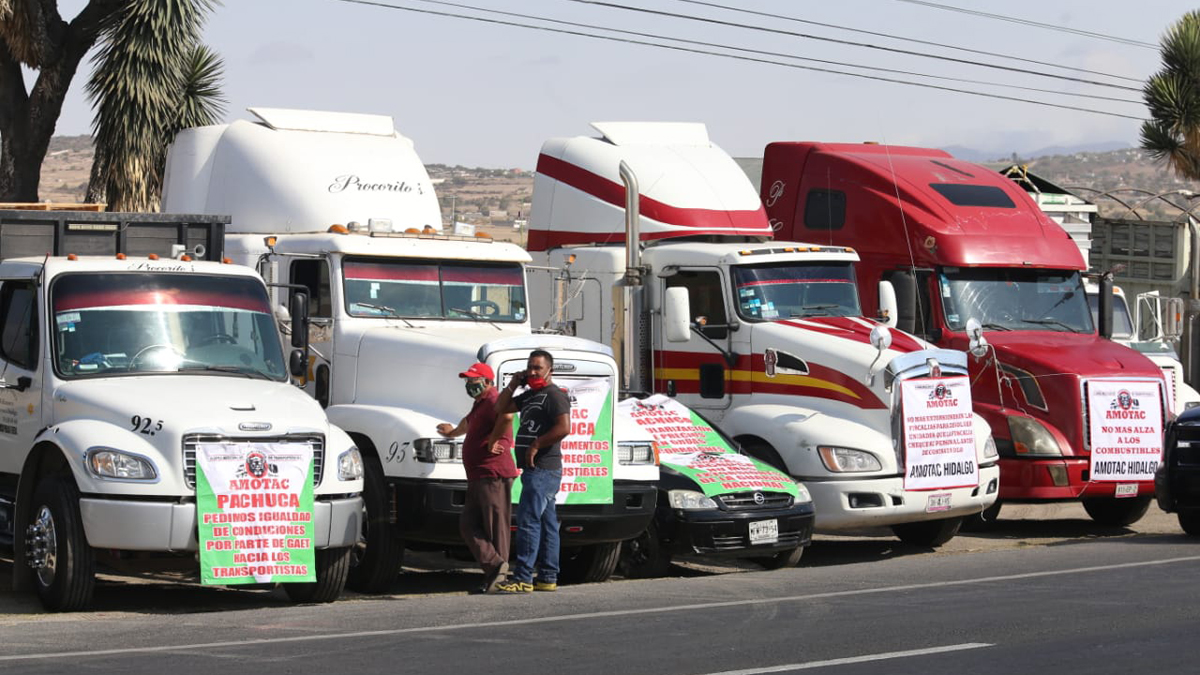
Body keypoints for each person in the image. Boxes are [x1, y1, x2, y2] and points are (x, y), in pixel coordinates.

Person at [493, 349, 571, 594]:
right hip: (535, 470)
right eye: (530, 367)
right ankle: (547, 577)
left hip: (543, 469)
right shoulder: (530, 395)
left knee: (528, 522)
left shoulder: (554, 395)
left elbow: (564, 427)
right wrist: (514, 383)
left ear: (550, 371)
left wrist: (537, 445)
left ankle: (523, 578)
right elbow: (500, 407)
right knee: (547, 524)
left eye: (538, 368)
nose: (533, 372)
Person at [436, 362, 517, 594]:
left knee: (494, 526)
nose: (469, 384)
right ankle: (495, 567)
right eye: (468, 380)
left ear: (488, 381)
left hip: (492, 472)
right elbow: (468, 422)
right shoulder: (480, 403)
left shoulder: (494, 399)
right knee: (468, 524)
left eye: (474, 380)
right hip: (479, 474)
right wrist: (453, 432)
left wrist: (493, 440)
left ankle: (498, 577)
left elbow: (507, 416)